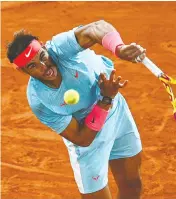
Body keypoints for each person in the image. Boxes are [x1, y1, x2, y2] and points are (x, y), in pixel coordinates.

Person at [6, 20, 146, 199]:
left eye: (42, 56)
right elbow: (82, 138)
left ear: (44, 47)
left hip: (117, 115)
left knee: (133, 186)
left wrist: (119, 48)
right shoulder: (39, 100)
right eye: (32, 66)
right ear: (23, 71)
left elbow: (96, 28)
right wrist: (105, 100)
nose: (44, 67)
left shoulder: (60, 47)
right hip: (89, 135)